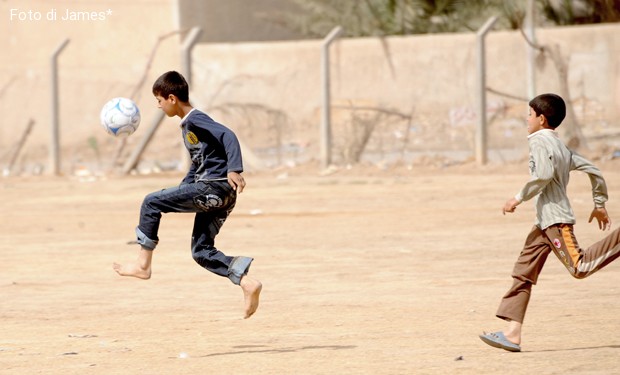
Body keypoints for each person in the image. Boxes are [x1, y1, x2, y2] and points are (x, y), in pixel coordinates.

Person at [113, 71, 262, 319]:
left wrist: (235, 168)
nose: (158, 106)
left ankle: (142, 265)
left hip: (213, 188)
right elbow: (199, 163)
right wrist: (182, 190)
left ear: (171, 98)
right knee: (201, 251)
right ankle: (247, 282)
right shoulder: (189, 125)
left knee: (150, 202)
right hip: (221, 195)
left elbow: (228, 135)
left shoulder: (195, 119)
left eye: (159, 100)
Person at [479, 93, 620, 352]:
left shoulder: (540, 142)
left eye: (529, 115)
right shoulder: (560, 145)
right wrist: (599, 203)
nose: (526, 119)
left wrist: (517, 198)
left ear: (541, 119)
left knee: (580, 267)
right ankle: (512, 334)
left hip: (555, 221)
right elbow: (593, 169)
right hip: (543, 223)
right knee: (523, 272)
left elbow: (542, 175)